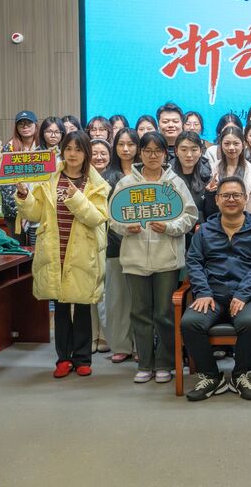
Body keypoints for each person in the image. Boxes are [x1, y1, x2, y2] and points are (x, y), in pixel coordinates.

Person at [14, 130, 110, 378]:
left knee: (83, 305)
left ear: (86, 153)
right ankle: (63, 359)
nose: (72, 154)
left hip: (83, 252)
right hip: (55, 249)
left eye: (78, 149)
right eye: (68, 148)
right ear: (62, 151)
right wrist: (24, 196)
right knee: (60, 305)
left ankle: (83, 358)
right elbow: (35, 213)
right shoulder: (49, 178)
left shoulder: (97, 184)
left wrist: (76, 197)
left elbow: (97, 218)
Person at [110, 131, 198, 384]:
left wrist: (170, 227)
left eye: (157, 151)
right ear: (140, 153)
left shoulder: (175, 183)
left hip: (167, 260)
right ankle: (145, 364)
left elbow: (190, 216)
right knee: (139, 313)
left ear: (164, 154)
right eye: (147, 151)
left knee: (164, 313)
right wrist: (126, 227)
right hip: (134, 259)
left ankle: (165, 363)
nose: (152, 156)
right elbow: (113, 218)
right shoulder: (126, 184)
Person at [181, 176, 251, 401]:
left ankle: (241, 374)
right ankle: (212, 376)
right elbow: (194, 262)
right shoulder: (204, 230)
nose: (231, 200)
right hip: (212, 295)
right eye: (226, 196)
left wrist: (243, 294)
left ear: (245, 198)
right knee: (190, 322)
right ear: (217, 199)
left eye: (236, 195)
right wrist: (203, 292)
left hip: (245, 296)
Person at [101, 128, 139, 363]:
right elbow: (106, 215)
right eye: (121, 144)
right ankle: (121, 345)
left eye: (131, 144)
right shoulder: (107, 177)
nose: (126, 149)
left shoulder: (146, 174)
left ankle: (140, 344)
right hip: (115, 245)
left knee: (140, 301)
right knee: (117, 299)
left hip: (143, 245)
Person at [206, 126, 251, 222]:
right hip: (218, 225)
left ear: (243, 145)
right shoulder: (211, 170)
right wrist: (210, 193)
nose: (231, 148)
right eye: (227, 144)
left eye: (236, 143)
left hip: (247, 226)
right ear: (221, 145)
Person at [0, 110, 40, 245]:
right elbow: (4, 184)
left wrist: (32, 207)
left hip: (38, 209)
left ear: (36, 125)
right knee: (18, 249)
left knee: (38, 249)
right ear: (16, 127)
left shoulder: (43, 148)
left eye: (28, 123)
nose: (25, 127)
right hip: (14, 211)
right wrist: (21, 210)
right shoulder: (9, 148)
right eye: (21, 124)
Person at [89, 137, 113, 353]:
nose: (99, 157)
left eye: (103, 153)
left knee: (106, 290)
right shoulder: (80, 179)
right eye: (94, 153)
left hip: (110, 240)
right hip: (86, 239)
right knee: (88, 288)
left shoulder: (115, 178)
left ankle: (105, 334)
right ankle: (92, 334)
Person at [172, 131, 213, 251]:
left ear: (200, 152)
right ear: (176, 151)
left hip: (200, 238)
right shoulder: (166, 177)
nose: (189, 155)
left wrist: (211, 194)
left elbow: (212, 215)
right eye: (184, 150)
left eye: (194, 150)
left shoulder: (208, 177)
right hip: (173, 236)